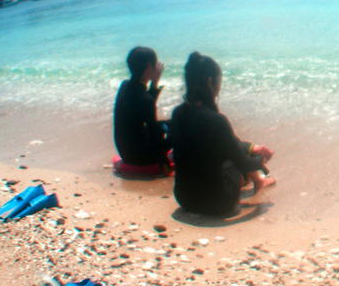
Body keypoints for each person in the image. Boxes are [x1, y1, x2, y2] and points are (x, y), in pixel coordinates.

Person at [170, 52, 275, 216]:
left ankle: (257, 172)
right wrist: (263, 159)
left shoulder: (177, 113)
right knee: (232, 154)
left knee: (226, 144)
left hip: (184, 199)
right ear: (210, 81)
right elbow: (245, 165)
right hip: (218, 203)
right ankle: (259, 181)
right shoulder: (217, 120)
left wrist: (253, 149)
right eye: (219, 81)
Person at [113, 46, 171, 171]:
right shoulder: (145, 99)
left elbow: (144, 106)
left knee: (167, 124)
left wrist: (154, 84)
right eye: (155, 64)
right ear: (148, 67)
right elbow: (154, 137)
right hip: (141, 158)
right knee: (177, 129)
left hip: (125, 152)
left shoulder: (124, 86)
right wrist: (166, 167)